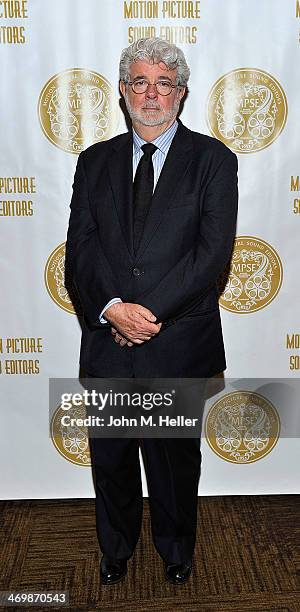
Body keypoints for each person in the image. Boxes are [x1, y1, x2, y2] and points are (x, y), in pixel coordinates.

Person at [65, 37, 238, 586]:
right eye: (140, 81)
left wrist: (146, 314)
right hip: (108, 339)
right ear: (122, 91)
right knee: (111, 462)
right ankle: (114, 549)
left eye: (164, 83)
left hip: (176, 340)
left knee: (172, 463)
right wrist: (113, 309)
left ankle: (175, 550)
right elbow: (81, 253)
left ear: (181, 93)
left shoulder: (212, 160)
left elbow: (211, 255)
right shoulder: (93, 163)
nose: (152, 93)